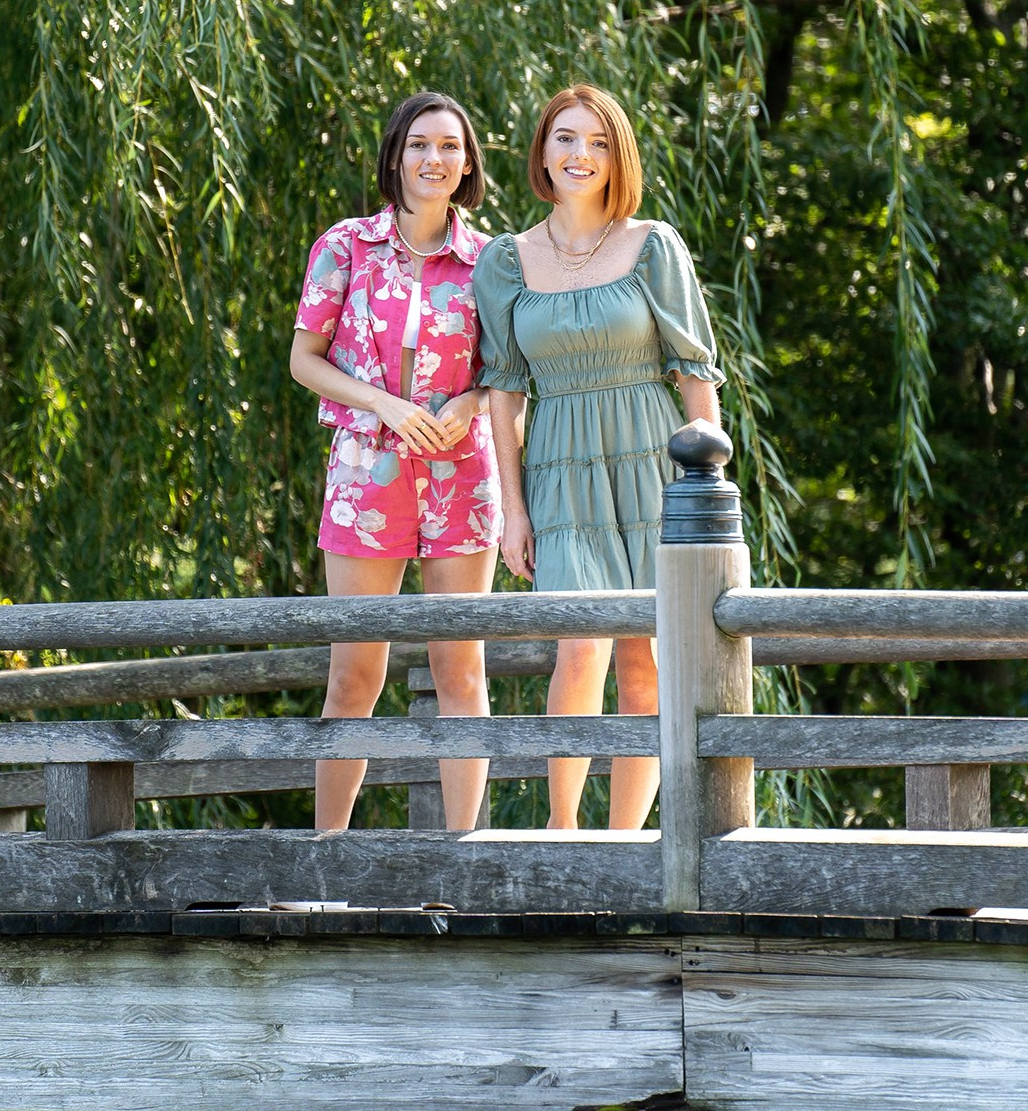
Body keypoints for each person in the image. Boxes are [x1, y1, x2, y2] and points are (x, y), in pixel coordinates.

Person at [472, 83, 723, 829]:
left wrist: (708, 501)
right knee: (579, 649)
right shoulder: (505, 262)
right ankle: (564, 832)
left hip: (653, 465)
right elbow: (504, 395)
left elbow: (694, 372)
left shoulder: (652, 245)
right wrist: (512, 512)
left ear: (618, 159)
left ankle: (627, 843)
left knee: (648, 657)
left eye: (598, 142)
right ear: (542, 152)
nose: (580, 155)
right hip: (559, 473)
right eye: (565, 139)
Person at [290, 91, 500, 831]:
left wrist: (467, 407)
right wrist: (383, 404)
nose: (432, 159)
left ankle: (461, 862)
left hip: (461, 474)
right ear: (396, 155)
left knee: (460, 669)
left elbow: (504, 374)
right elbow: (304, 360)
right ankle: (326, 860)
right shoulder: (345, 246)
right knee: (355, 673)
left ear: (467, 163)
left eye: (448, 146)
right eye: (418, 144)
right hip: (364, 475)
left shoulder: (490, 261)